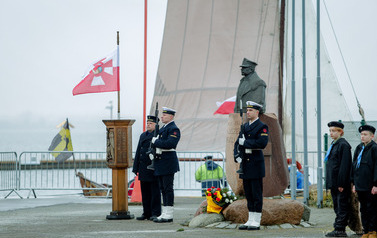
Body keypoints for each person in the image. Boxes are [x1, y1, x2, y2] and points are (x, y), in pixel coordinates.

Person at [234, 101, 269, 231]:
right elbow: (237, 142)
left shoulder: (262, 126)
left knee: (256, 193)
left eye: (251, 110)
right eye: (247, 110)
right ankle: (250, 218)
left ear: (257, 112)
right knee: (248, 193)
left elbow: (262, 142)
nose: (248, 112)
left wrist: (246, 142)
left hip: (255, 163)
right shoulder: (244, 126)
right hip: (246, 164)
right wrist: (236, 155)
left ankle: (257, 220)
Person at [151, 107, 181, 223]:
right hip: (160, 161)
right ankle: (164, 212)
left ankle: (169, 214)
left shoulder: (173, 129)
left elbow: (170, 143)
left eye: (165, 115)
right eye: (162, 114)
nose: (162, 117)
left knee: (168, 188)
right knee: (162, 188)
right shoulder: (163, 128)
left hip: (168, 162)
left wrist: (156, 142)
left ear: (171, 117)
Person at [324, 121, 352, 237]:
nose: (331, 133)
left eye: (333, 131)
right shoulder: (334, 144)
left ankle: (340, 229)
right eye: (330, 131)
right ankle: (338, 228)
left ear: (340, 132)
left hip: (340, 183)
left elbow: (344, 166)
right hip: (334, 182)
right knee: (337, 205)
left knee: (342, 206)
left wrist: (341, 183)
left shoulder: (343, 145)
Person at [132, 115, 161, 221]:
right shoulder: (143, 135)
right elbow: (138, 151)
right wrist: (136, 168)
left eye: (150, 123)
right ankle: (146, 212)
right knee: (145, 192)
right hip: (143, 167)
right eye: (147, 123)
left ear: (156, 125)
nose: (148, 125)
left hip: (153, 167)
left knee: (155, 192)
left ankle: (156, 213)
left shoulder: (158, 135)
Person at [351, 125, 377, 238]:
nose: (362, 136)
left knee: (372, 208)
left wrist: (376, 184)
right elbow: (355, 166)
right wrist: (354, 183)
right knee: (363, 209)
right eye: (361, 134)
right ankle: (365, 230)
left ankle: (373, 230)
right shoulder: (359, 148)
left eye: (365, 134)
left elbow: (376, 167)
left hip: (370, 185)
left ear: (372, 136)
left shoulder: (374, 148)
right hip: (360, 184)